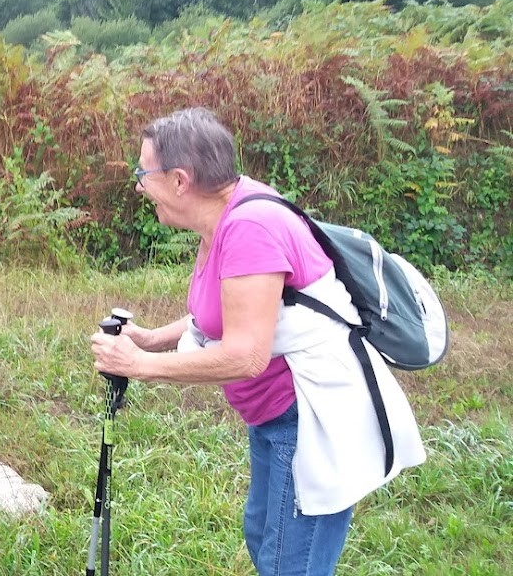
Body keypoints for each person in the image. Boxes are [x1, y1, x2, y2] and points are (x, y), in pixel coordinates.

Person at [89, 107, 424, 575]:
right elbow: (229, 314)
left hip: (309, 417)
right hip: (275, 414)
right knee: (264, 536)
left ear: (181, 180)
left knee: (290, 562)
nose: (139, 185)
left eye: (143, 173)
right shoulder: (226, 215)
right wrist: (150, 339)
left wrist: (138, 366)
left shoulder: (250, 229)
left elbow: (246, 354)